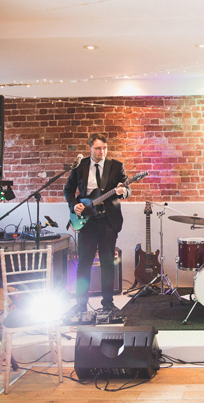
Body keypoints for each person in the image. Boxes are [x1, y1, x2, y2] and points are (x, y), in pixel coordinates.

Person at [64, 133, 131, 313]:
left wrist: (123, 192)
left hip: (108, 221)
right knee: (84, 264)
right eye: (98, 148)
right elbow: (68, 190)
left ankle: (108, 303)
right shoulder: (80, 166)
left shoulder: (116, 166)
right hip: (86, 221)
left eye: (104, 148)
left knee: (108, 263)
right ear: (90, 148)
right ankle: (80, 305)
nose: (102, 152)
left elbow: (127, 190)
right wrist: (74, 205)